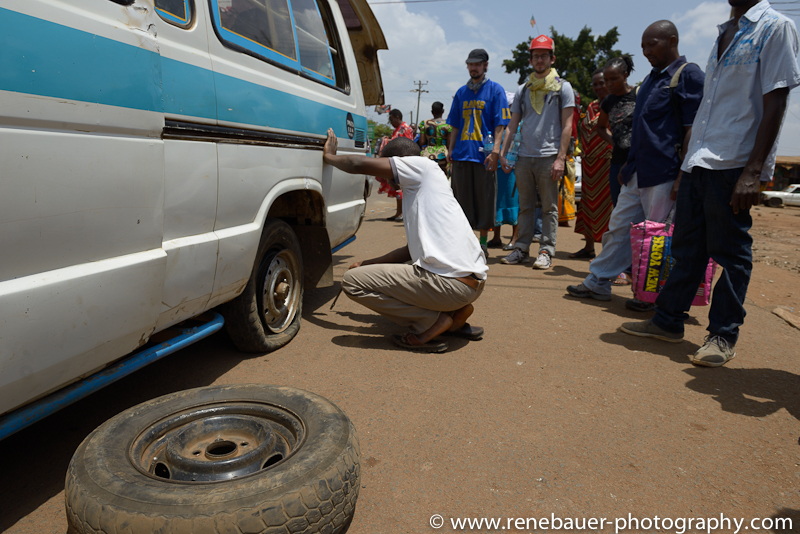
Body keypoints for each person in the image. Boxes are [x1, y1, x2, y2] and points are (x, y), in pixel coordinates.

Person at [620, 1, 800, 367]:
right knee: (687, 247)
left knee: (731, 252)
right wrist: (687, 163)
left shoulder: (775, 27)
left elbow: (776, 98)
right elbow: (708, 108)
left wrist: (753, 170)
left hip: (735, 159)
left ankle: (722, 334)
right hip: (700, 158)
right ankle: (668, 321)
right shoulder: (725, 31)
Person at [566, 22, 704, 305]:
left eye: (652, 44)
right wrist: (628, 166)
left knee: (657, 236)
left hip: (665, 172)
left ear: (672, 40)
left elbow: (693, 128)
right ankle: (599, 281)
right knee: (618, 228)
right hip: (636, 171)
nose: (646, 51)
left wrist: (682, 175)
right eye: (643, 46)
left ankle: (651, 295)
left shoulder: (687, 75)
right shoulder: (652, 80)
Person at [323, 130, 488, 353]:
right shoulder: (428, 189)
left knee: (352, 282)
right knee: (386, 270)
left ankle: (431, 321)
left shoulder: (421, 166)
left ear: (398, 162)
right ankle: (452, 314)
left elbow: (356, 163)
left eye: (386, 169)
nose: (385, 179)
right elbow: (410, 251)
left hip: (451, 285)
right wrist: (366, 264)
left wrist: (329, 157)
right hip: (470, 285)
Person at [499, 35, 576, 270]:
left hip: (549, 156)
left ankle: (546, 250)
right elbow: (513, 125)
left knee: (549, 207)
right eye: (535, 56)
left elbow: (567, 125)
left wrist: (560, 158)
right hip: (524, 157)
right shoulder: (524, 89)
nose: (539, 59)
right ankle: (521, 248)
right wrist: (504, 152)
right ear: (531, 60)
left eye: (544, 55)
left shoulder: (563, 87)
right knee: (525, 205)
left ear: (552, 58)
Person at [446, 49, 510, 256]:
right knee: (460, 201)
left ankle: (482, 243)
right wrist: (450, 149)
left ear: (485, 65)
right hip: (462, 154)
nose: (473, 68)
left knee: (485, 199)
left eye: (477, 64)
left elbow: (500, 124)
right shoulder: (460, 93)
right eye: (470, 64)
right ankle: (464, 242)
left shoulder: (495, 90)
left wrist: (496, 152)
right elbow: (454, 125)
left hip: (484, 156)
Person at [570, 68, 613, 259]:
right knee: (588, 206)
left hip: (608, 164)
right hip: (589, 165)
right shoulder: (593, 106)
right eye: (595, 84)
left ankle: (608, 254)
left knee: (608, 209)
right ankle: (588, 248)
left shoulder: (616, 105)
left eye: (601, 83)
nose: (598, 87)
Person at [377, 109, 415, 222]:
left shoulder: (405, 128)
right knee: (397, 188)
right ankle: (398, 212)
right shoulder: (397, 130)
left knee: (401, 189)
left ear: (397, 117)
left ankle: (402, 213)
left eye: (391, 119)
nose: (391, 121)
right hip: (396, 162)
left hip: (402, 162)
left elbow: (408, 145)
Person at [419, 102, 452, 176]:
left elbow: (422, 142)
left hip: (428, 154)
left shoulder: (424, 123)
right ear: (442, 111)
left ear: (432, 112)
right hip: (443, 155)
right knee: (443, 178)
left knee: (428, 177)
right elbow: (449, 144)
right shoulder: (448, 124)